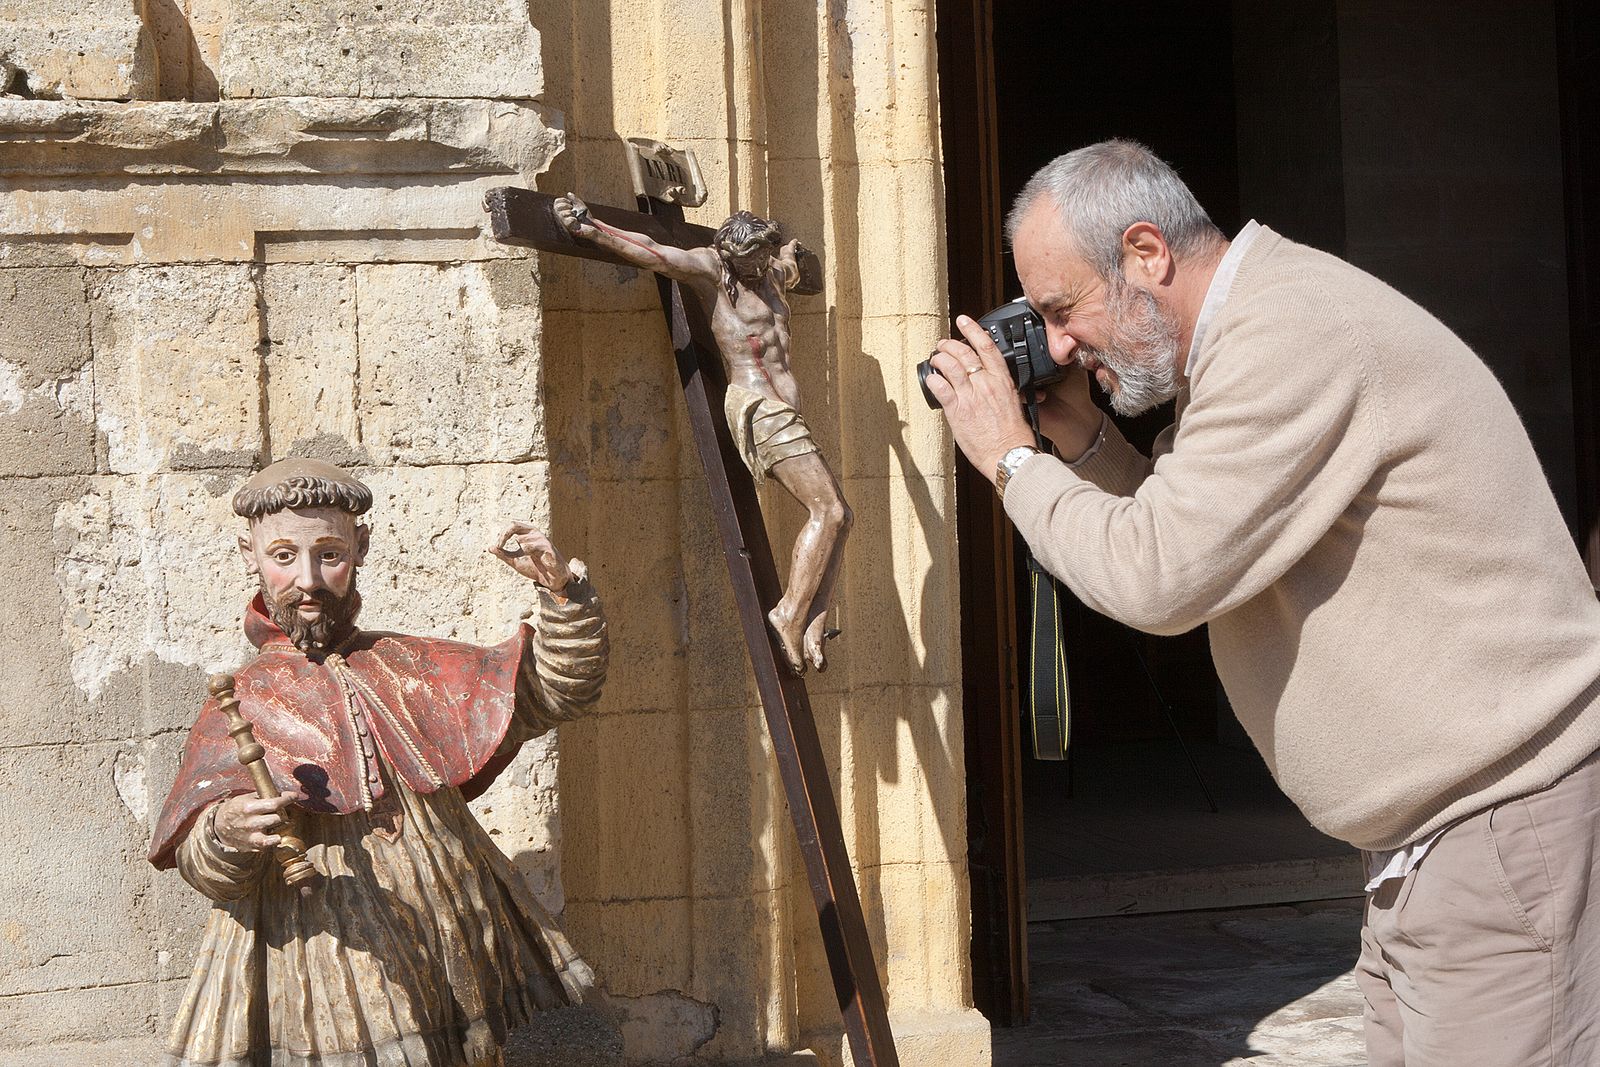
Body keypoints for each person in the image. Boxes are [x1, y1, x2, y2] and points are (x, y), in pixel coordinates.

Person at [928, 139, 1600, 1065]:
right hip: (1436, 842)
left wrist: (1011, 459)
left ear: (1146, 253)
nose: (1059, 345)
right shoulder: (1250, 330)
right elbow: (1198, 531)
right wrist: (1079, 440)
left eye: (1062, 308)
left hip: (1493, 828)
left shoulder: (1287, 334)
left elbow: (1161, 576)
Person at [148, 458, 610, 1067]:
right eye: (283, 556)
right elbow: (203, 861)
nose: (307, 579)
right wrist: (228, 831)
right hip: (323, 955)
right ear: (249, 555)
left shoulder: (409, 663)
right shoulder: (242, 699)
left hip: (461, 935)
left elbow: (551, 691)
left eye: (329, 554)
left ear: (361, 548)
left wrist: (563, 596)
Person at [553, 194, 851, 675]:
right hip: (758, 408)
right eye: (751, 259)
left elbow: (794, 268)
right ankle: (788, 615)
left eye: (764, 256)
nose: (759, 267)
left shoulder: (772, 273)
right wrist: (591, 228)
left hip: (787, 414)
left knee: (843, 516)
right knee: (829, 510)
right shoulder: (713, 272)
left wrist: (791, 255)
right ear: (730, 254)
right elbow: (654, 252)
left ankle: (813, 620)